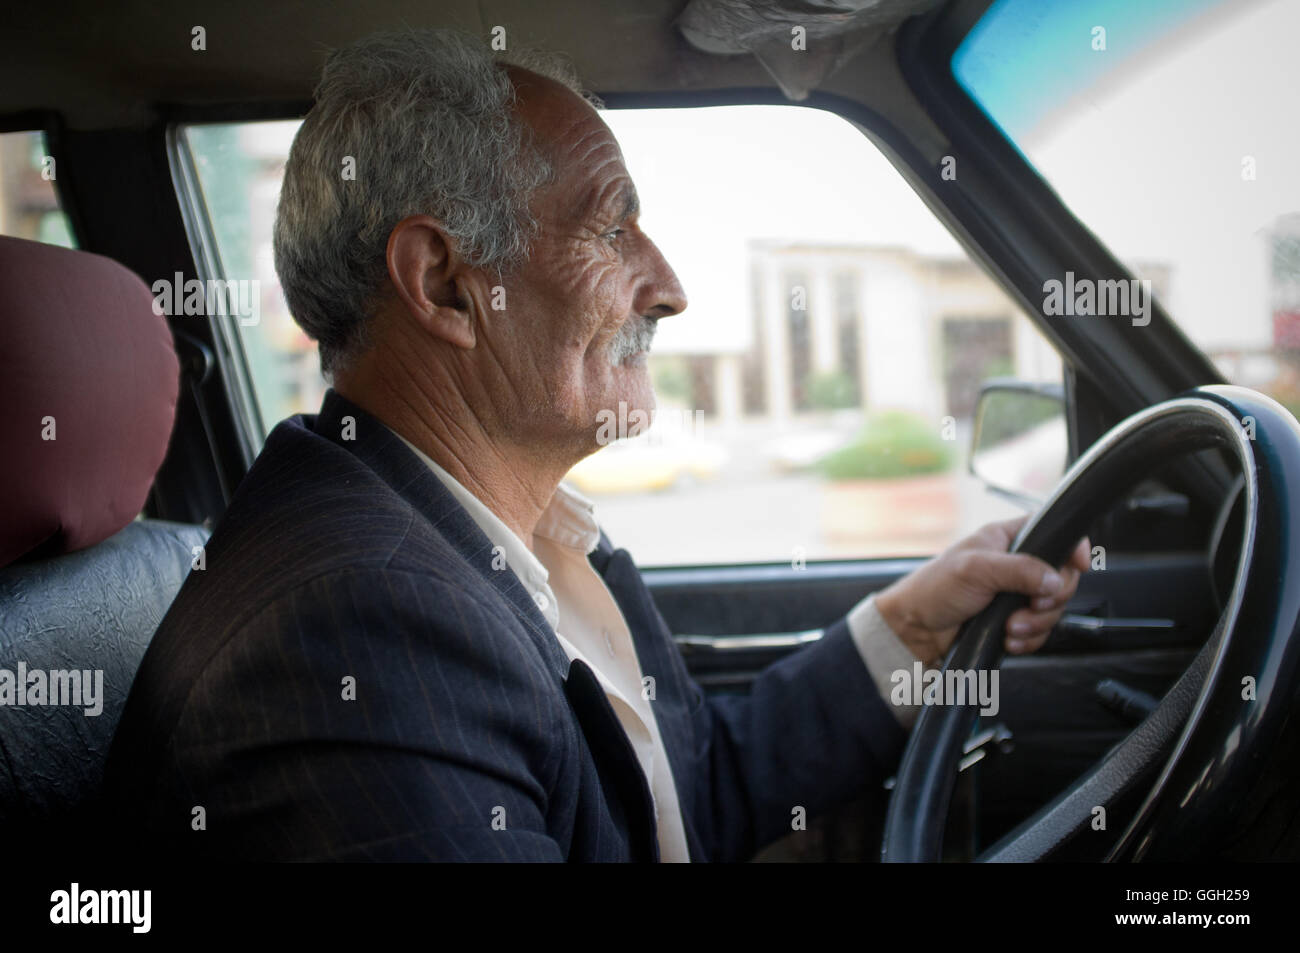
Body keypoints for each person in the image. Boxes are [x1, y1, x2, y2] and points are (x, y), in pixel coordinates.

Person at [105, 28, 1087, 861]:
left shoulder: (526, 537)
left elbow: (683, 797)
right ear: (445, 284)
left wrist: (913, 629)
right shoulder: (356, 633)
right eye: (612, 228)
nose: (669, 288)